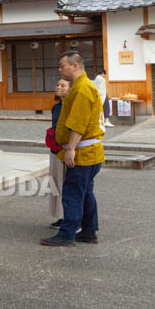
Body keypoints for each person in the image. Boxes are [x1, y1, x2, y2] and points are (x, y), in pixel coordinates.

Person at [42, 52, 104, 247]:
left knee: (73, 193)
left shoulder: (83, 89)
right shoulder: (80, 87)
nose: (60, 70)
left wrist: (70, 148)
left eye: (63, 66)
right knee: (85, 193)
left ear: (75, 65)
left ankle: (67, 233)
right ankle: (88, 230)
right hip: (89, 151)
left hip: (82, 151)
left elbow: (78, 123)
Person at [47, 77, 71, 227]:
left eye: (63, 85)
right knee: (56, 182)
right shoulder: (56, 107)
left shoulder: (72, 106)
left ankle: (69, 216)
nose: (59, 87)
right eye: (57, 84)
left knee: (66, 183)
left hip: (67, 147)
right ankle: (61, 215)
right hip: (55, 147)